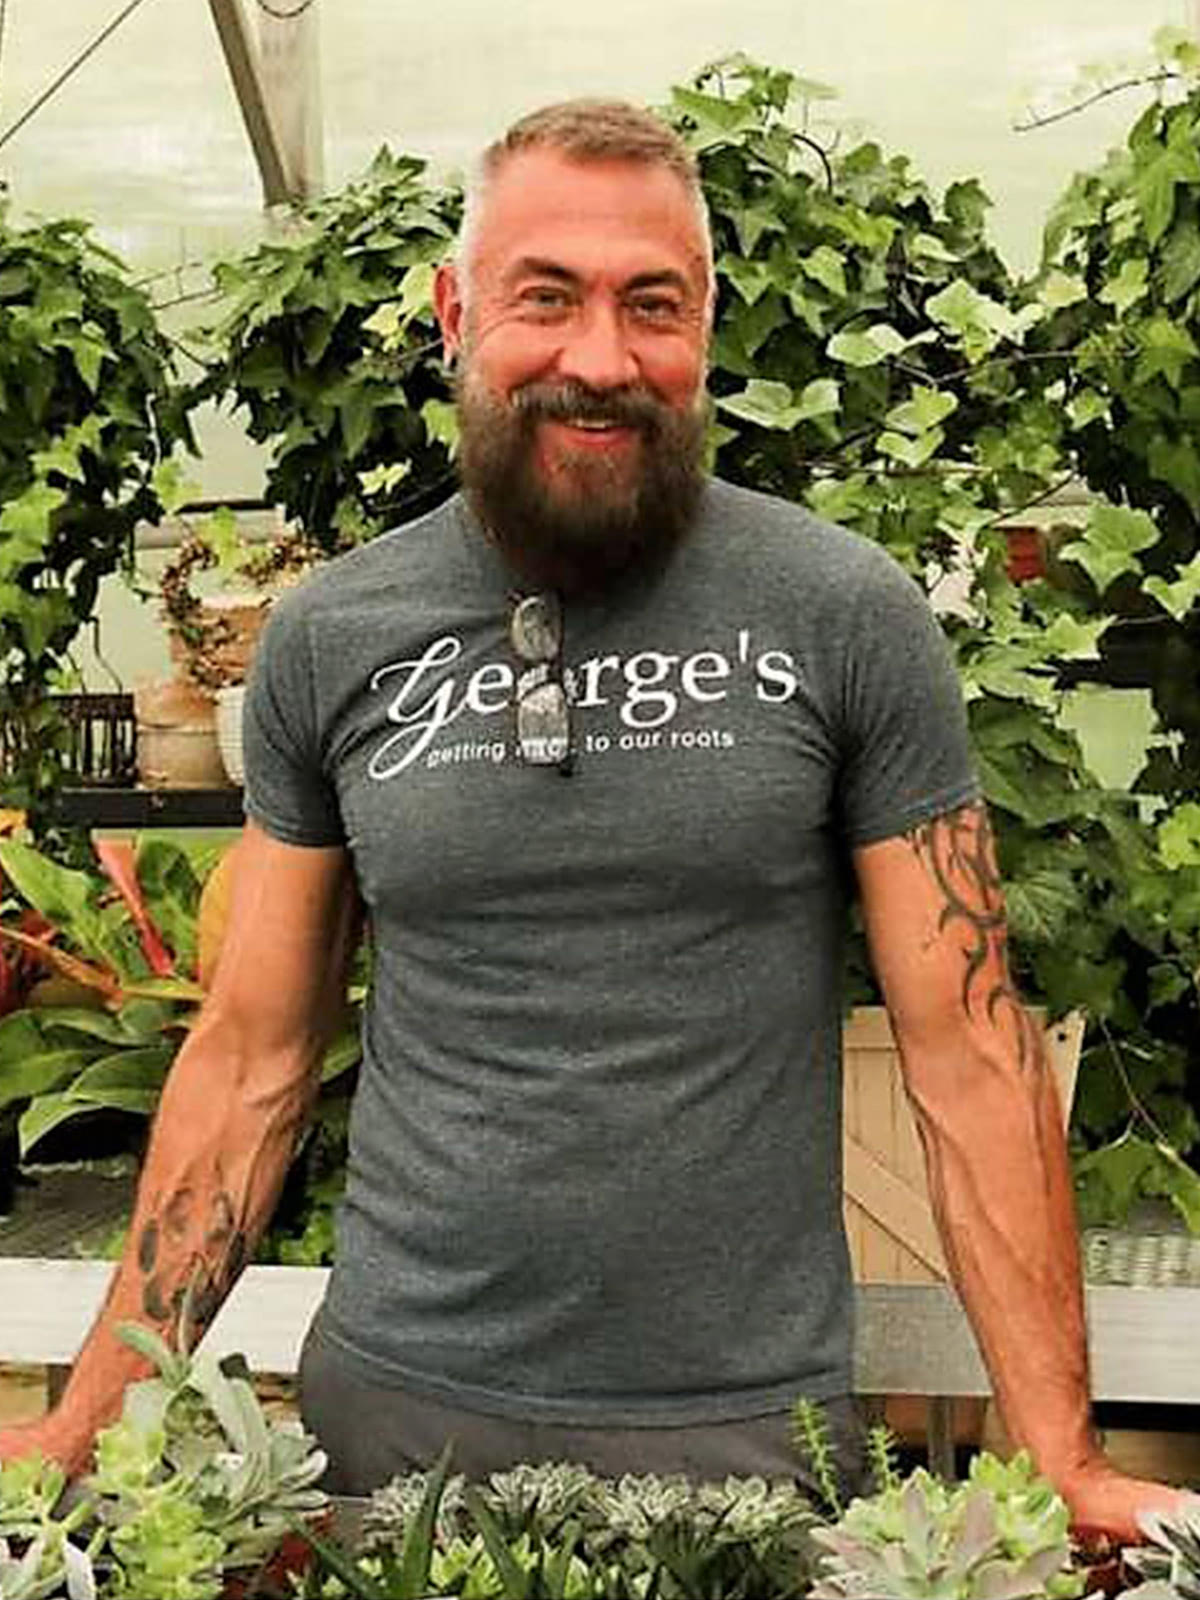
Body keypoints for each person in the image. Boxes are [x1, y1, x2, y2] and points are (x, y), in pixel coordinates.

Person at [0, 98, 1188, 1538]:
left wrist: (1061, 1458)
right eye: (544, 298)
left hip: (750, 1440)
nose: (601, 359)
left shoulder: (841, 616)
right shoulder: (331, 637)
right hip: (392, 1431)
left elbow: (972, 1060)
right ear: (455, 313)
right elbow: (249, 1064)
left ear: (708, 329)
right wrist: (80, 1425)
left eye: (654, 306)